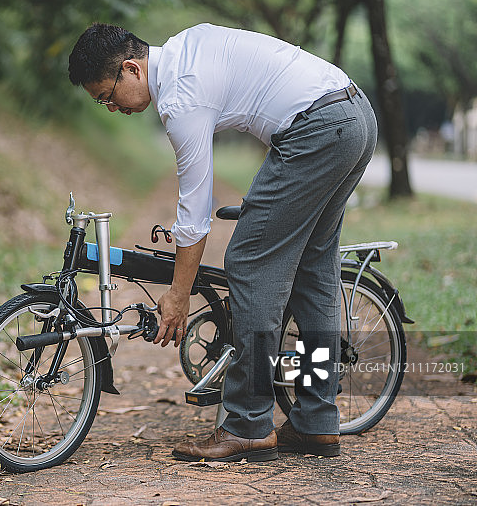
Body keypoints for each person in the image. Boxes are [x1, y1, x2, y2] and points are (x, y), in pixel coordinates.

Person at [68, 23, 377, 462]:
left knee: (250, 263)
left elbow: (194, 216)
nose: (111, 107)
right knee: (314, 271)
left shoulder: (180, 97)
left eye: (106, 96)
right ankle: (315, 420)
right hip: (355, 115)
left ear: (132, 70)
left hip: (319, 129)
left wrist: (177, 295)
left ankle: (248, 424)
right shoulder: (185, 46)